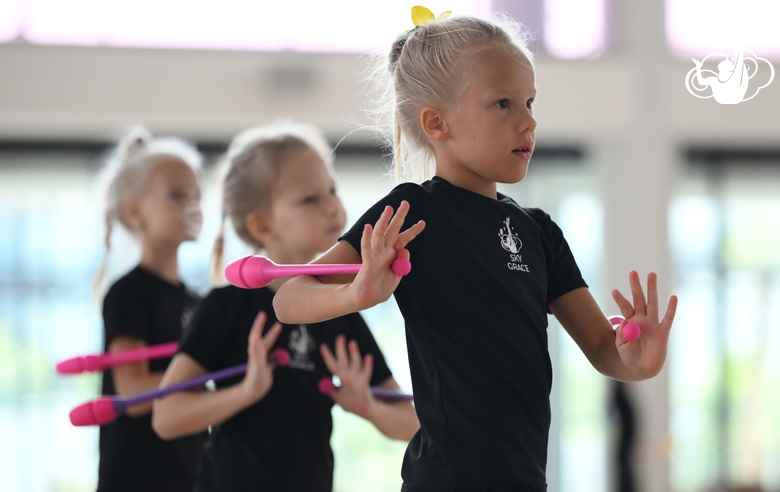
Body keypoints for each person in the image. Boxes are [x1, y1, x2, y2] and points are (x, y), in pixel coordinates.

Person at [273, 11, 679, 492]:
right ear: (437, 123)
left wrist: (638, 361)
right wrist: (357, 294)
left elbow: (601, 348)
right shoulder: (410, 210)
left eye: (529, 102)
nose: (528, 121)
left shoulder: (540, 232)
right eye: (503, 104)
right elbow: (289, 296)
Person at [152, 122, 419, 492]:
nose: (332, 207)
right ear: (262, 226)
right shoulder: (226, 307)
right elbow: (167, 417)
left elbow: (414, 425)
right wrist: (245, 392)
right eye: (310, 199)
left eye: (332, 190)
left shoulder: (341, 309)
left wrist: (368, 407)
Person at [94, 127, 207, 492]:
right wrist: (205, 367)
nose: (192, 206)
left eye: (196, 196)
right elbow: (132, 393)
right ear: (134, 211)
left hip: (188, 473)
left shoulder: (196, 302)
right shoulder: (128, 294)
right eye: (177, 195)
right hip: (136, 475)